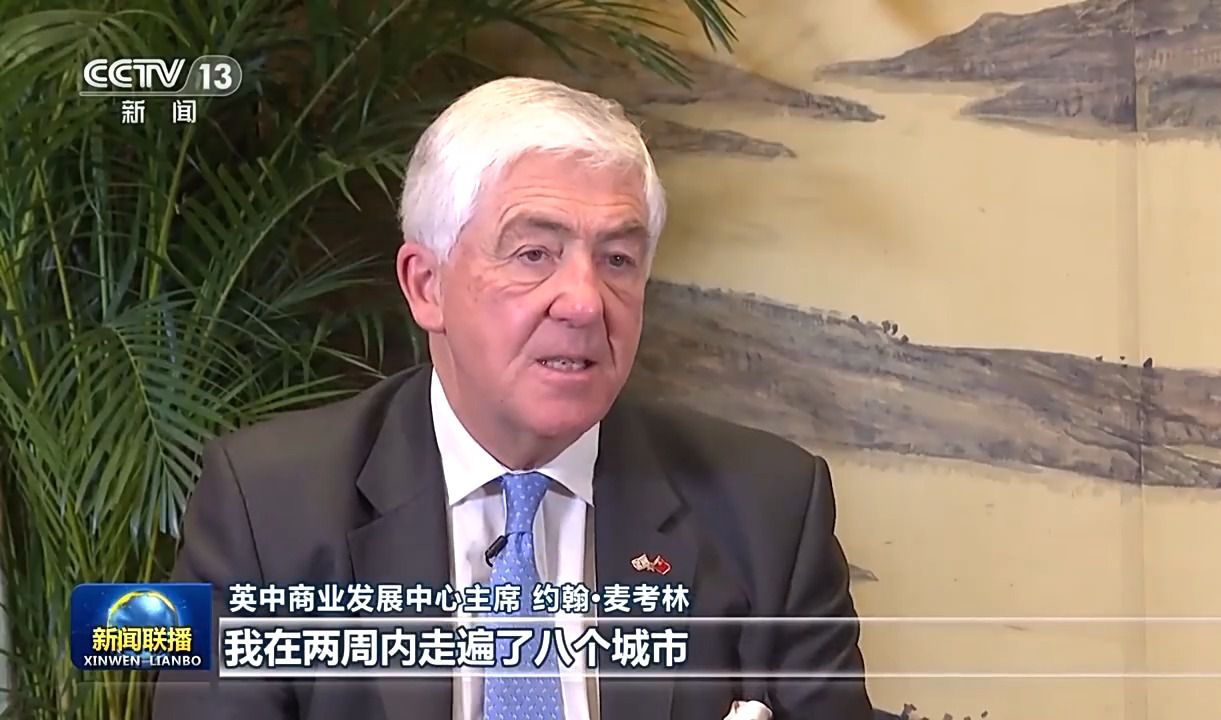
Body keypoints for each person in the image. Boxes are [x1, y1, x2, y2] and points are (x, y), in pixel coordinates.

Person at [153, 76, 874, 720]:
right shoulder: (268, 508)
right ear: (426, 286)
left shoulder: (769, 507)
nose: (584, 302)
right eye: (534, 254)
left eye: (618, 259)